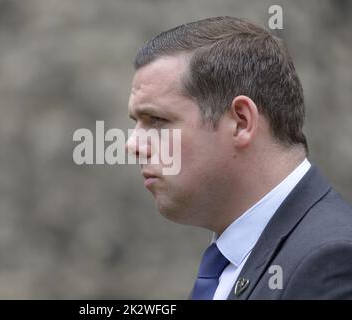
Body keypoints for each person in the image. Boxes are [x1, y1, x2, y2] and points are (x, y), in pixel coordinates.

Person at [125, 16, 352, 299]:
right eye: (136, 121)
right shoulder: (236, 256)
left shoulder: (330, 261)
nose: (132, 145)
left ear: (242, 122)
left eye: (157, 120)